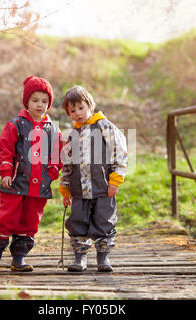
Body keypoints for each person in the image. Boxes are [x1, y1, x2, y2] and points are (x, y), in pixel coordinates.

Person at [0, 76, 62, 272]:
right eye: (35, 100)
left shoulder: (53, 130)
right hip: (15, 182)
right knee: (7, 219)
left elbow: (56, 154)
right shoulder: (16, 125)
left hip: (39, 187)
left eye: (44, 101)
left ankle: (19, 258)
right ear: (26, 101)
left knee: (30, 222)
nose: (40, 105)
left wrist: (52, 172)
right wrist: (5, 172)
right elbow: (5, 149)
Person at [59, 86, 127, 272]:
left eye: (81, 108)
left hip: (103, 187)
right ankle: (80, 257)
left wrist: (115, 179)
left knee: (104, 220)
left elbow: (119, 152)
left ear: (89, 105)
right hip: (79, 189)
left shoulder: (104, 126)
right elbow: (67, 163)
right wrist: (65, 188)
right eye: (72, 111)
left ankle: (103, 257)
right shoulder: (73, 134)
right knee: (78, 221)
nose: (77, 113)